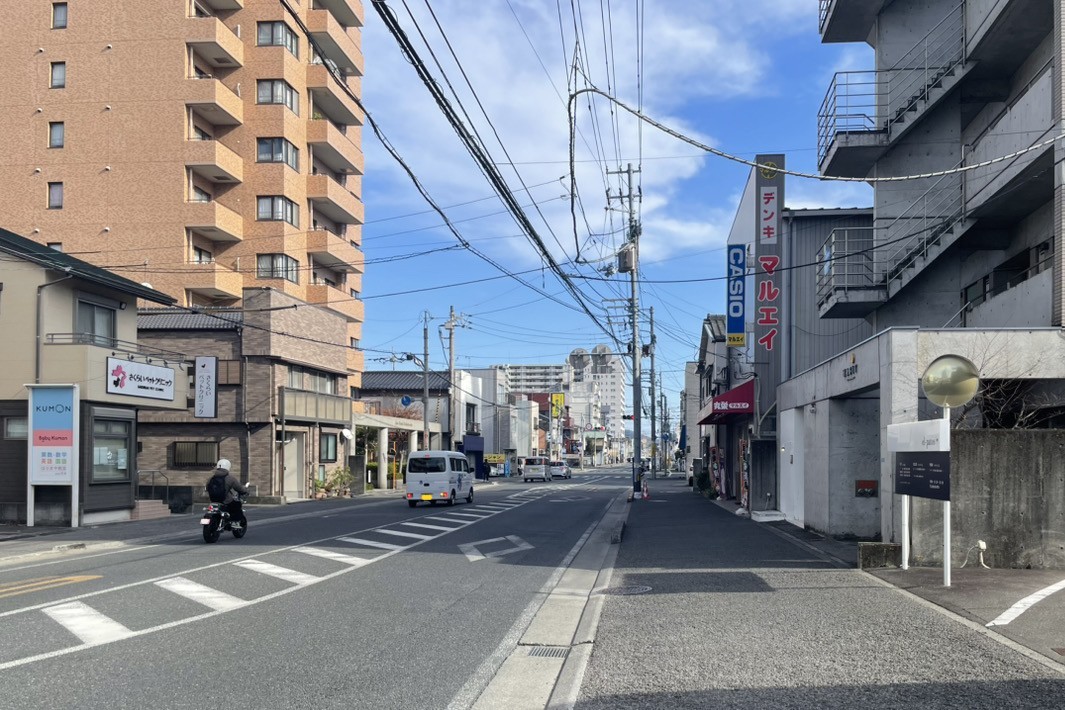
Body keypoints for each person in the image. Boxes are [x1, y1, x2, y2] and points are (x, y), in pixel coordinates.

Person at [206, 458, 249, 528]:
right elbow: (239, 488)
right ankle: (235, 523)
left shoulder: (211, 478)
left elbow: (207, 487)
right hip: (225, 501)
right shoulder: (230, 478)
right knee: (237, 505)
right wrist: (246, 491)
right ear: (228, 467)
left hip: (213, 500)